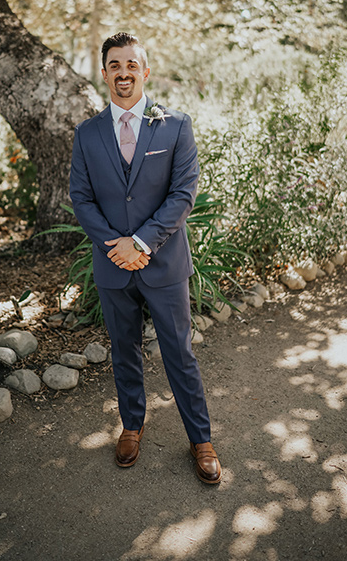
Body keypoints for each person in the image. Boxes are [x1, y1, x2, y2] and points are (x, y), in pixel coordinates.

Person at [69, 32, 221, 484]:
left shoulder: (175, 125)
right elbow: (81, 198)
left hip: (164, 263)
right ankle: (132, 426)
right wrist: (117, 245)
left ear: (145, 71)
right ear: (104, 73)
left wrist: (141, 243)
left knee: (179, 353)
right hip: (113, 265)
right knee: (125, 352)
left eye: (132, 64)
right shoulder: (88, 133)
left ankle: (202, 439)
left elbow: (182, 194)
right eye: (115, 65)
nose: (124, 72)